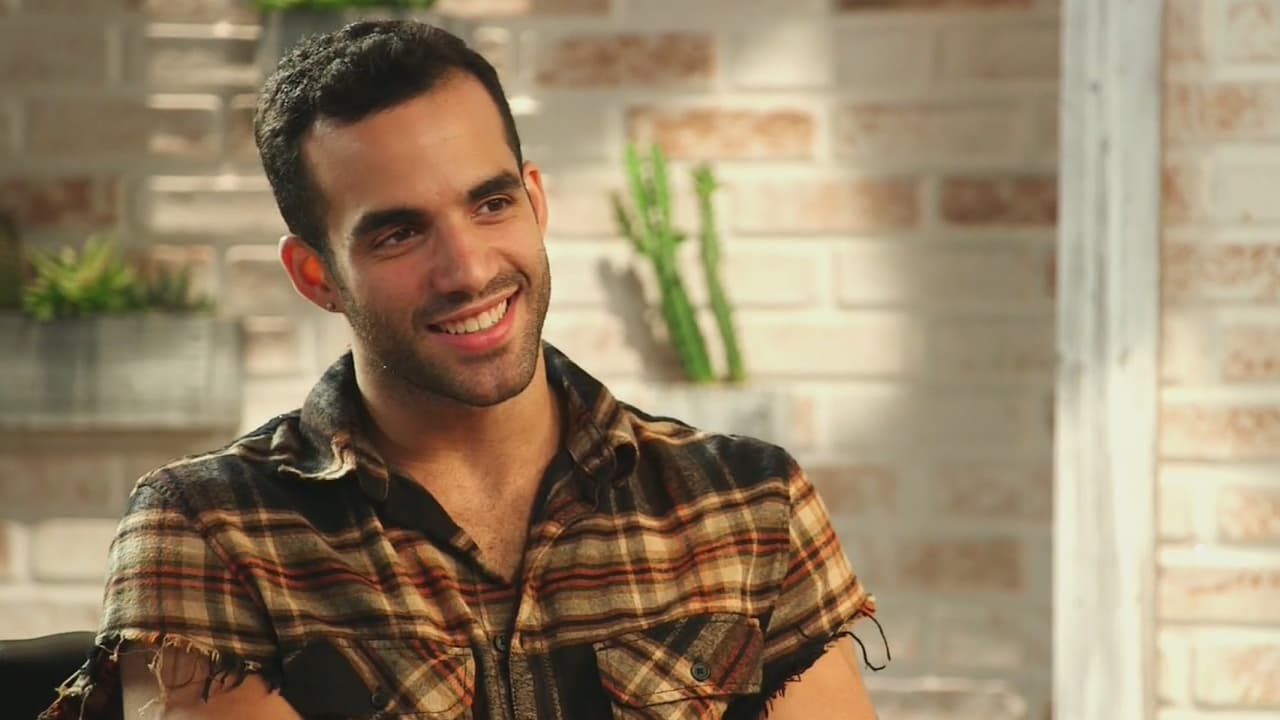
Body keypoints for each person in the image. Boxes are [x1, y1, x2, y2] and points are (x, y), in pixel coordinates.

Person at [41, 19, 886, 720]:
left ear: (536, 201)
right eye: (399, 233)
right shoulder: (208, 528)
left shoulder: (748, 503)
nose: (469, 269)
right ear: (316, 276)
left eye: (491, 203)